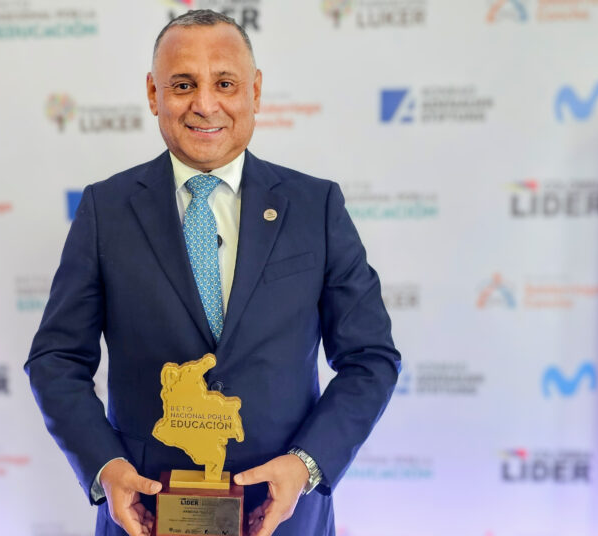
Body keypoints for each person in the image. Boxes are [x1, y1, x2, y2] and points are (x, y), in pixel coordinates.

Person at [26, 9, 400, 536]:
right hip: (144, 515)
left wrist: (306, 465)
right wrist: (105, 467)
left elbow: (370, 358)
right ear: (154, 94)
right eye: (183, 85)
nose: (205, 104)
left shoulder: (315, 207)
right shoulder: (104, 210)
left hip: (284, 516)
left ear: (255, 91)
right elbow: (57, 359)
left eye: (225, 83)